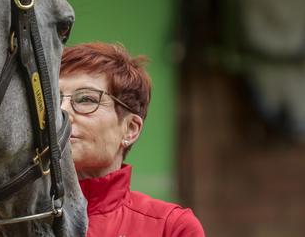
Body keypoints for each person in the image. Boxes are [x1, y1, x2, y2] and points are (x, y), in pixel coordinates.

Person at [59, 42, 204, 236]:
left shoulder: (170, 227)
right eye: (53, 100)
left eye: (86, 99)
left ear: (130, 129)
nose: (62, 111)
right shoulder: (12, 222)